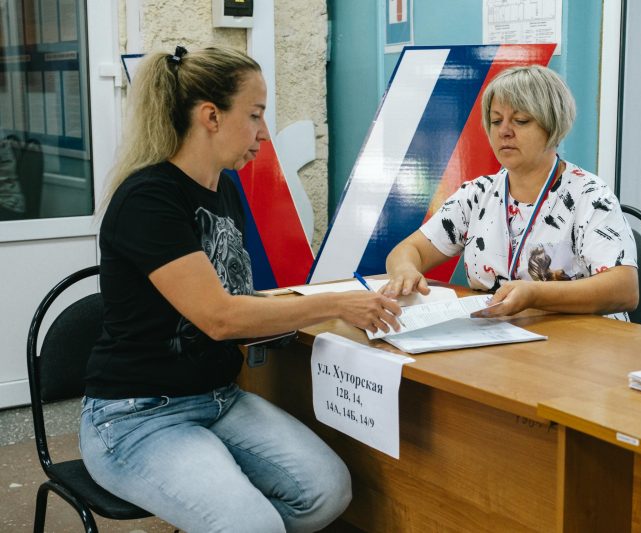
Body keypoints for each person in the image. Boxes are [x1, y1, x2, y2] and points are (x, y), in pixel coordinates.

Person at [80, 45, 402, 533]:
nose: (264, 132)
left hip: (217, 398)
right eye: (254, 115)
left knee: (327, 492)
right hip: (136, 415)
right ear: (211, 116)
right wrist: (335, 304)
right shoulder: (148, 199)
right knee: (253, 525)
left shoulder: (224, 188)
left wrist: (324, 311)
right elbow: (221, 317)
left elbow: (237, 297)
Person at [382, 65, 639, 318]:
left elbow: (625, 289)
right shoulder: (477, 194)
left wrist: (536, 295)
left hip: (582, 338)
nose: (504, 131)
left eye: (520, 120)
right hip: (499, 333)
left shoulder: (590, 196)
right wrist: (405, 271)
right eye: (496, 121)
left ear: (553, 125)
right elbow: (409, 250)